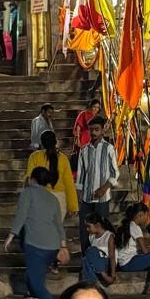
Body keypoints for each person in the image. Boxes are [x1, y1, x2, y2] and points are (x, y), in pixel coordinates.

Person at [5, 168, 64, 299]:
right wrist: (63, 244)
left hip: (36, 244)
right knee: (32, 278)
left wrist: (11, 235)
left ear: (33, 180)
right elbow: (58, 223)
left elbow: (21, 215)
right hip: (53, 246)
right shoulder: (52, 198)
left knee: (36, 284)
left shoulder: (28, 193)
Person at [75, 116, 119, 257]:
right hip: (87, 198)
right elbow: (81, 175)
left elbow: (115, 173)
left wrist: (104, 188)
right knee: (84, 230)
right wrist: (78, 197)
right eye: (91, 130)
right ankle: (87, 257)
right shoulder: (84, 150)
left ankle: (102, 256)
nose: (93, 133)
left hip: (102, 198)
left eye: (96, 129)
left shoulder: (109, 149)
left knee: (102, 229)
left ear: (102, 130)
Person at [26, 130, 78, 223]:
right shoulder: (63, 159)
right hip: (59, 201)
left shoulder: (34, 157)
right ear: (56, 142)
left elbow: (29, 180)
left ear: (42, 143)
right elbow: (69, 184)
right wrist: (73, 206)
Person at [80, 211, 116, 283]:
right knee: (85, 259)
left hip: (106, 263)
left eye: (89, 226)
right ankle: (90, 284)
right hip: (95, 264)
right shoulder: (91, 237)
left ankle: (103, 275)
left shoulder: (109, 236)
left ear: (97, 225)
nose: (87, 229)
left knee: (92, 250)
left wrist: (113, 274)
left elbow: (112, 256)